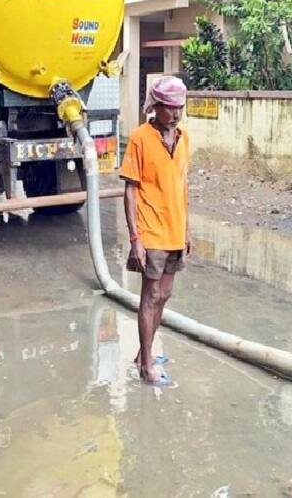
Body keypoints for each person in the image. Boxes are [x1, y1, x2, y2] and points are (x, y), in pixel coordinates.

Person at [119, 76, 191, 386]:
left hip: (175, 230)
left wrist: (187, 229)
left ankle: (142, 353)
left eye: (179, 108)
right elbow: (130, 190)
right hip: (151, 231)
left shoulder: (184, 138)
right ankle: (146, 366)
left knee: (165, 294)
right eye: (169, 108)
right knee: (149, 296)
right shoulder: (139, 138)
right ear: (155, 107)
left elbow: (183, 184)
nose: (175, 115)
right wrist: (135, 237)